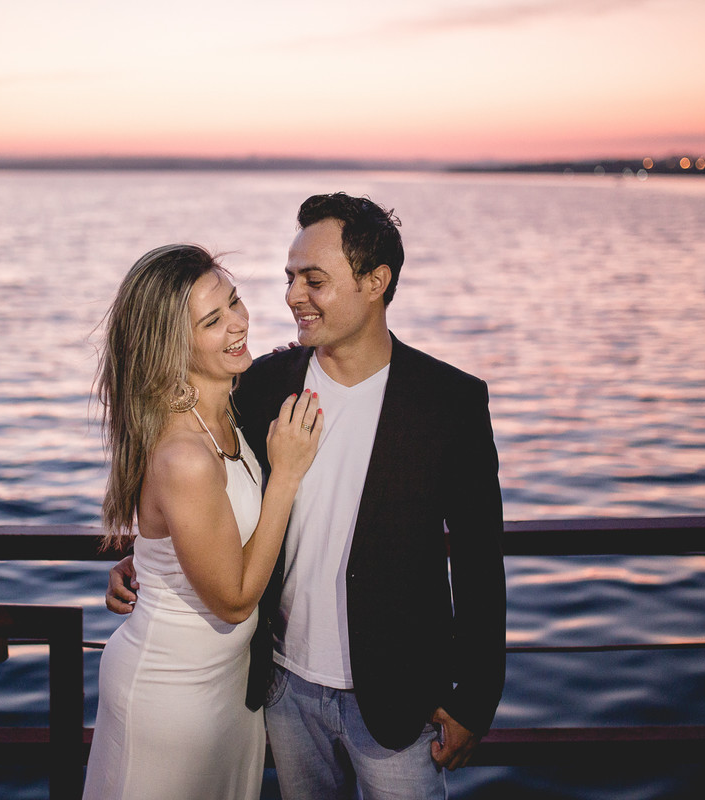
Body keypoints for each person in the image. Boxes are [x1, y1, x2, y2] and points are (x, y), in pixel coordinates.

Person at [108, 194, 506, 800]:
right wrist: (155, 558)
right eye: (290, 278)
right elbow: (195, 485)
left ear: (376, 282)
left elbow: (480, 562)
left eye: (314, 281)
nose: (293, 296)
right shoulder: (264, 385)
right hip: (282, 692)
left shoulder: (448, 403)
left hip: (397, 704)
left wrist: (474, 700)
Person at [82, 243, 323, 800]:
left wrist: (146, 559)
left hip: (229, 689)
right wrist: (285, 475)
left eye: (235, 301)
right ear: (173, 345)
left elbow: (200, 534)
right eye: (213, 321)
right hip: (172, 694)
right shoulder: (187, 454)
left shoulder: (232, 410)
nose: (239, 323)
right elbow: (235, 599)